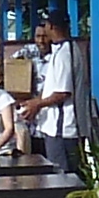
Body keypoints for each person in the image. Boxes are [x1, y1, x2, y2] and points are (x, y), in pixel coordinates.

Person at [28, 10, 81, 172]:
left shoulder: (65, 53)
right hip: (56, 128)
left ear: (51, 26)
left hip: (62, 129)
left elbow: (63, 93)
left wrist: (37, 104)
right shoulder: (62, 50)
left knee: (63, 175)